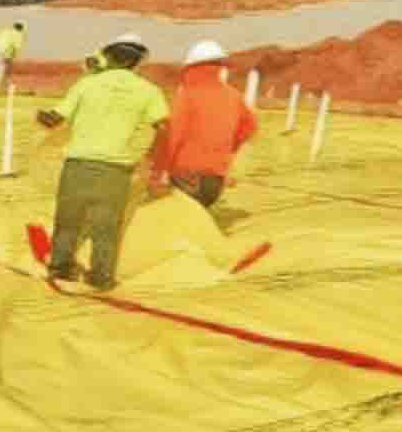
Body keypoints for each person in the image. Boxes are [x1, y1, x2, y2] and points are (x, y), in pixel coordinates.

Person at [34, 37, 168, 291]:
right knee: (106, 226)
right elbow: (162, 126)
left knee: (68, 220)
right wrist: (151, 159)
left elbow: (53, 120)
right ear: (138, 62)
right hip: (115, 170)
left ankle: (59, 267)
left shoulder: (86, 85)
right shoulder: (149, 91)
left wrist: (41, 117)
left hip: (78, 165)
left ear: (108, 57)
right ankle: (101, 276)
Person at [152, 39, 258, 214]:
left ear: (191, 67)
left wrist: (159, 172)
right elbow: (250, 127)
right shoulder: (234, 96)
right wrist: (227, 148)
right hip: (215, 181)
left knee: (180, 227)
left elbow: (173, 137)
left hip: (185, 178)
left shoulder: (187, 95)